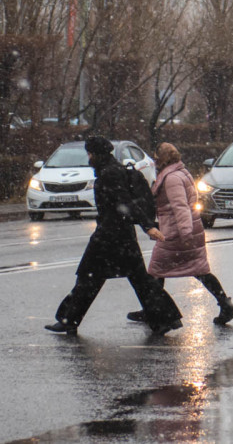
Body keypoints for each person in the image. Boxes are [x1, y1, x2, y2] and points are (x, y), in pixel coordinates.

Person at [45, 136, 183, 336]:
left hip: (110, 236)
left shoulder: (110, 173)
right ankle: (165, 319)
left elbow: (125, 202)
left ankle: (69, 320)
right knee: (137, 280)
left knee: (88, 278)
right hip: (121, 236)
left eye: (90, 153)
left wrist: (147, 226)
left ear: (96, 154)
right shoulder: (111, 169)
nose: (89, 157)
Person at [125, 143, 233, 325]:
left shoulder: (171, 178)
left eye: (156, 156)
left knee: (155, 270)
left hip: (176, 231)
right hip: (186, 228)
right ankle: (225, 304)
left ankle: (152, 310)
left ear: (163, 158)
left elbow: (180, 206)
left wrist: (185, 234)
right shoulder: (180, 172)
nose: (154, 160)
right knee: (199, 269)